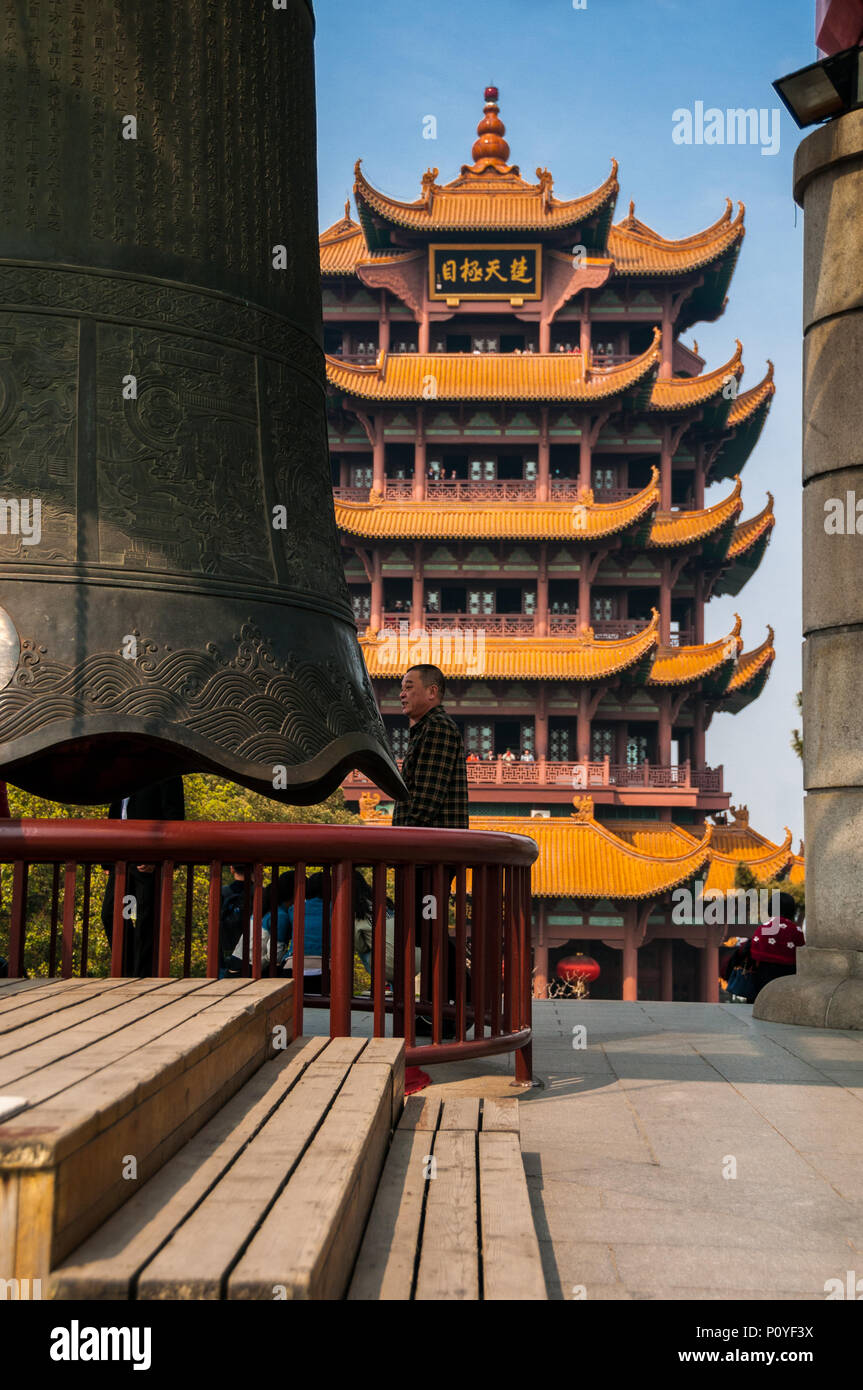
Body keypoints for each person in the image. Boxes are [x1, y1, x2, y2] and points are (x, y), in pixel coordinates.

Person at [100, 777, 185, 976]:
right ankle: (127, 970)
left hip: (148, 861)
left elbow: (174, 816)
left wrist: (159, 858)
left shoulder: (167, 770)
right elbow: (116, 812)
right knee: (113, 914)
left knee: (146, 920)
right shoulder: (123, 770)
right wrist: (107, 859)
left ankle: (143, 975)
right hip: (120, 859)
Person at [726, 892, 805, 1001]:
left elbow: (751, 953)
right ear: (792, 910)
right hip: (788, 984)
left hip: (762, 985)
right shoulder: (797, 931)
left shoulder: (762, 929)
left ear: (770, 908)